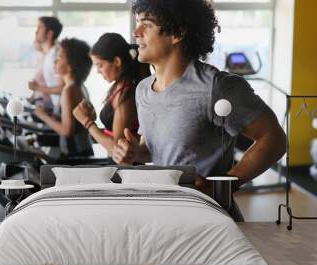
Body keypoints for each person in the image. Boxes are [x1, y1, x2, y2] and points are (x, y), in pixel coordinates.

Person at [112, 0, 286, 221]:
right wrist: (136, 152)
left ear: (178, 33)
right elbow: (157, 148)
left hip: (210, 219)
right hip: (165, 213)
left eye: (146, 24)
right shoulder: (143, 89)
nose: (136, 33)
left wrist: (223, 186)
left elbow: (274, 138)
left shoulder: (217, 86)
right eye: (137, 23)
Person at [73, 33, 150, 157]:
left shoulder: (126, 93)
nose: (98, 71)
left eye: (100, 65)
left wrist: (87, 122)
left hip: (125, 168)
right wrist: (92, 120)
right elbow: (112, 133)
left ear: (116, 61)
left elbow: (118, 149)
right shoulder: (119, 86)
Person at [34, 38, 93, 156]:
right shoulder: (80, 86)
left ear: (70, 66)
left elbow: (67, 131)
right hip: (84, 149)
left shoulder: (68, 91)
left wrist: (43, 116)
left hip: (75, 155)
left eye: (60, 57)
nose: (55, 61)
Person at [28, 16, 64, 108]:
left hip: (60, 107)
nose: (36, 31)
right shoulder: (48, 55)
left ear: (49, 34)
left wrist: (37, 88)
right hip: (53, 105)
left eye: (40, 27)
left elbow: (64, 88)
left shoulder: (56, 57)